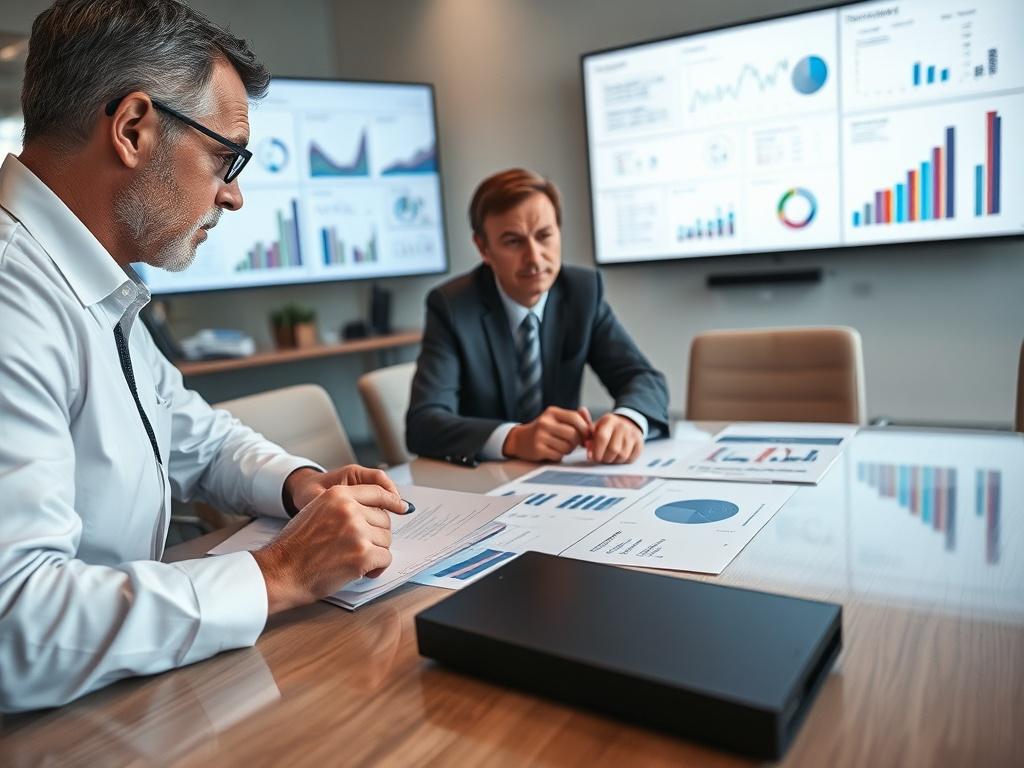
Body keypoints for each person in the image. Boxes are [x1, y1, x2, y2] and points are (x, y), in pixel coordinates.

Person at [0, 0, 407, 712]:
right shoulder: (13, 298)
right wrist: (278, 573)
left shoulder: (87, 283)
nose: (235, 196)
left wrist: (299, 485)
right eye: (226, 157)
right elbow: (17, 625)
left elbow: (191, 433)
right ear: (133, 128)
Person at [406, 168, 669, 465]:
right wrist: (515, 438)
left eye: (544, 236)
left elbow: (644, 378)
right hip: (482, 479)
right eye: (513, 241)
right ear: (483, 248)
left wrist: (628, 419)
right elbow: (423, 424)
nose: (534, 257)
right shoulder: (452, 306)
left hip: (561, 476)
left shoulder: (582, 292)